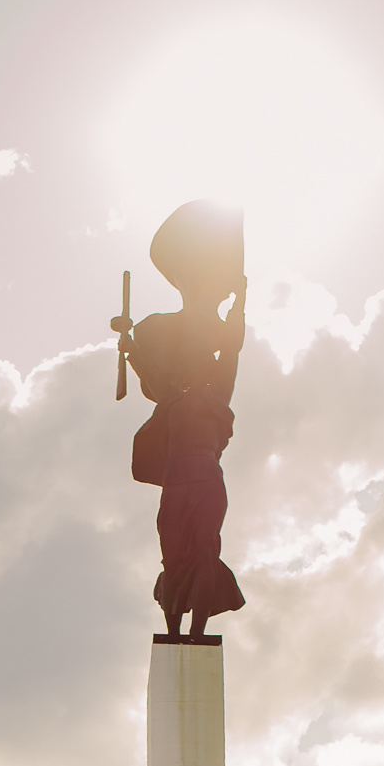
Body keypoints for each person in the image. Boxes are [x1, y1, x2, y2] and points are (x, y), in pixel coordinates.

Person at [124, 199, 247, 641]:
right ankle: (173, 629)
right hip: (176, 485)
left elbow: (231, 348)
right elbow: (155, 381)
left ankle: (196, 631)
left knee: (203, 553)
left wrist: (241, 301)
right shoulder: (174, 400)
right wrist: (131, 348)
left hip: (205, 484)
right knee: (173, 557)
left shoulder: (217, 399)